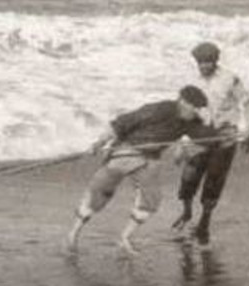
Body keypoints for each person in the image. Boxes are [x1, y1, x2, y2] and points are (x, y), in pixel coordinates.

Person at [67, 85, 212, 253]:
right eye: (193, 107)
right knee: (100, 191)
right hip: (128, 150)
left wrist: (220, 131)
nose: (195, 111)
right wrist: (98, 143)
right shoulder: (158, 110)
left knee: (151, 200)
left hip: (150, 158)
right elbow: (121, 123)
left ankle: (124, 238)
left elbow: (206, 136)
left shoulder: (191, 121)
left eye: (198, 109)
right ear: (182, 102)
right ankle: (73, 233)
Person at [171, 42, 249, 245]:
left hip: (225, 134)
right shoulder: (190, 81)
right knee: (189, 176)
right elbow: (182, 113)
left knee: (215, 179)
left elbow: (247, 105)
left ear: (215, 61)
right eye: (200, 62)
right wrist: (179, 144)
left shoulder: (230, 79)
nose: (204, 66)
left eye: (208, 62)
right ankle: (187, 211)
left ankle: (205, 220)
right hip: (199, 134)